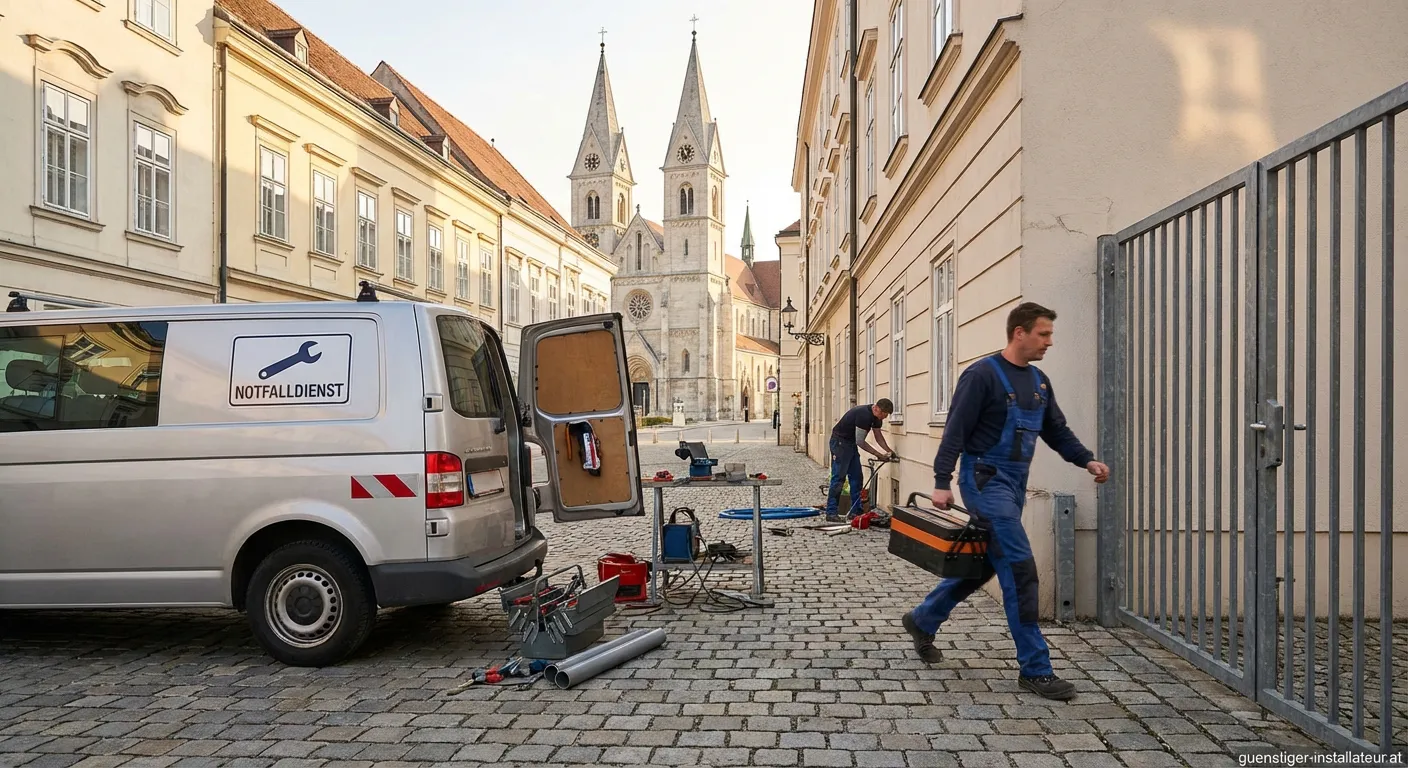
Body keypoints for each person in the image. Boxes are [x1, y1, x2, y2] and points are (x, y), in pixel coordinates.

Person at [900, 302, 1110, 701]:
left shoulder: (1039, 382)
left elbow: (1056, 431)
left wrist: (1086, 460)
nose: (1050, 341)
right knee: (1020, 567)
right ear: (1020, 332)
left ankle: (922, 619)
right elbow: (955, 431)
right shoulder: (982, 375)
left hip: (1014, 486)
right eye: (1043, 334)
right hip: (983, 481)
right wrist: (942, 481)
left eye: (1049, 334)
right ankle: (1036, 668)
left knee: (981, 566)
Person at [824, 399, 895, 522]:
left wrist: (889, 451)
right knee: (839, 479)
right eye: (884, 414)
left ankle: (855, 511)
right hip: (840, 443)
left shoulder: (877, 417)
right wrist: (878, 454)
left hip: (850, 445)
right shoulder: (863, 415)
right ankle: (831, 512)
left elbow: (878, 437)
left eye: (887, 415)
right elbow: (860, 441)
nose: (884, 417)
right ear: (876, 408)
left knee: (857, 477)